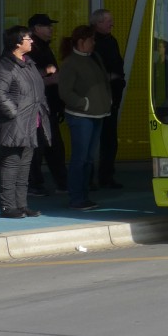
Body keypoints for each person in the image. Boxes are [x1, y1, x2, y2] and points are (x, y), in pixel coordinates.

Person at [0, 26, 48, 219]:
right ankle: (7, 207)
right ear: (16, 42)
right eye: (27, 38)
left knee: (24, 167)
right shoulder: (3, 65)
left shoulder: (28, 63)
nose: (31, 41)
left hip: (30, 122)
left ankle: (21, 205)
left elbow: (36, 90)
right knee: (11, 165)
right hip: (15, 124)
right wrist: (14, 114)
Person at [56, 24, 112, 212]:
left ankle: (84, 196)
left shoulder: (94, 58)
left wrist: (106, 100)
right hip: (81, 117)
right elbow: (65, 92)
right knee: (80, 158)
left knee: (88, 158)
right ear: (81, 42)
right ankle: (76, 198)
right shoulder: (70, 63)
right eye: (91, 40)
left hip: (98, 114)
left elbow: (103, 81)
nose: (94, 43)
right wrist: (84, 103)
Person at [25, 12, 68, 197]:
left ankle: (58, 182)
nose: (51, 29)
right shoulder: (33, 49)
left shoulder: (43, 47)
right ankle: (37, 183)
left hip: (47, 104)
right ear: (36, 29)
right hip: (38, 105)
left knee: (51, 145)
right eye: (47, 26)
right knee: (41, 146)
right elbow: (29, 77)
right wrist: (49, 79)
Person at [91, 8, 125, 190]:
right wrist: (109, 76)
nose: (111, 24)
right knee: (91, 138)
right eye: (107, 21)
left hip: (112, 96)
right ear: (97, 23)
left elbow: (118, 64)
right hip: (97, 96)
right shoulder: (91, 41)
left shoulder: (111, 40)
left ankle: (106, 175)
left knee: (109, 138)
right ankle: (89, 179)